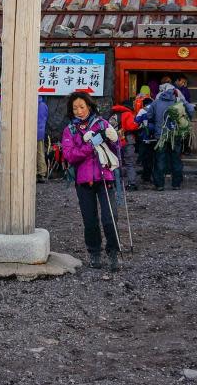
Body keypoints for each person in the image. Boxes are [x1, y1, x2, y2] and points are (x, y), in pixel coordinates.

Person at [61, 92, 121, 271]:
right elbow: (70, 155)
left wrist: (115, 140)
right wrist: (91, 145)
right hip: (84, 181)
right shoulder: (69, 130)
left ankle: (113, 253)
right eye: (75, 108)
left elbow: (116, 152)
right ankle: (94, 253)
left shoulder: (102, 123)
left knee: (110, 218)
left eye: (82, 107)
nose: (79, 111)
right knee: (90, 221)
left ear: (89, 106)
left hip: (105, 178)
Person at [146, 82, 195, 191]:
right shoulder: (178, 101)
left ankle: (159, 185)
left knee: (160, 159)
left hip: (161, 135)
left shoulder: (156, 102)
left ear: (162, 92)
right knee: (176, 159)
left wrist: (156, 122)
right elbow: (191, 109)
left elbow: (149, 116)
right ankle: (176, 184)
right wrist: (187, 120)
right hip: (175, 134)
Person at [110, 101, 139, 191]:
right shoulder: (128, 114)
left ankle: (116, 183)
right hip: (127, 140)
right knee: (129, 163)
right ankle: (132, 184)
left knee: (116, 163)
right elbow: (131, 127)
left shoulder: (112, 114)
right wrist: (137, 124)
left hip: (114, 141)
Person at [36, 96, 49, 182]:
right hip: (40, 132)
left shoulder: (33, 104)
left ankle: (37, 172)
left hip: (32, 132)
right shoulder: (44, 105)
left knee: (33, 153)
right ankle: (42, 173)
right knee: (40, 152)